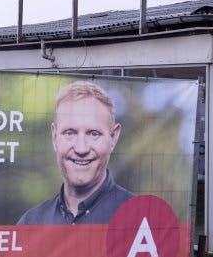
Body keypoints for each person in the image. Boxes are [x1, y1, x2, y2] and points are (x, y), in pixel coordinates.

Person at [17, 80, 133, 225]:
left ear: (113, 138)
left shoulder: (141, 219)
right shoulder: (31, 223)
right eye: (70, 133)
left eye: (93, 133)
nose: (81, 149)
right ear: (54, 137)